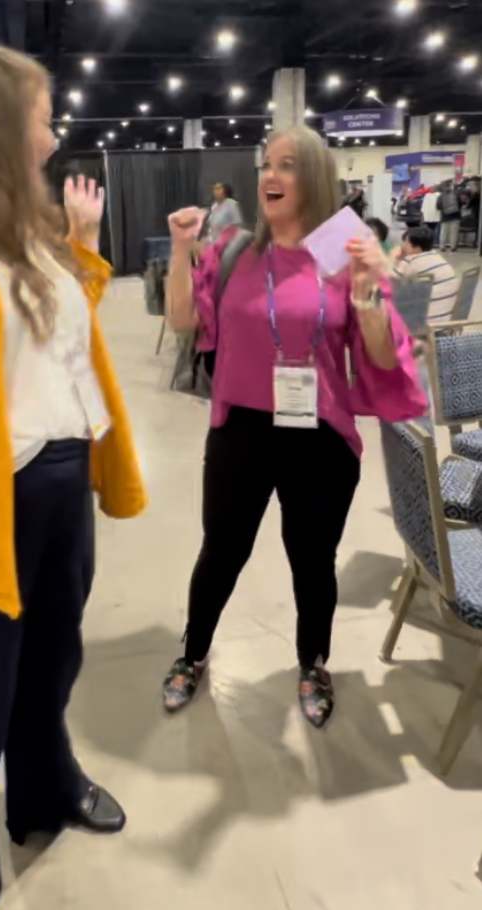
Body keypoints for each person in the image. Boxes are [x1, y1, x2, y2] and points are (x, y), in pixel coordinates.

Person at [0, 47, 147, 910]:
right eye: (43, 121)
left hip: (62, 474)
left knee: (52, 663)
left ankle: (45, 791)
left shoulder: (24, 223)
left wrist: (80, 250)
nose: (52, 140)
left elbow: (52, 341)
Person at [163, 126, 427, 729]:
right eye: (266, 165)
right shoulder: (236, 250)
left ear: (314, 179)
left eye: (286, 165)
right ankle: (193, 653)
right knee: (221, 551)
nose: (270, 176)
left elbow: (382, 357)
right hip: (240, 432)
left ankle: (314, 663)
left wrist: (369, 294)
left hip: (321, 436)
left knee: (313, 560)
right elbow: (182, 319)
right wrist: (182, 249)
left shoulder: (342, 249)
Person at [394, 225, 459, 323]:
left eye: (405, 243)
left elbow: (386, 287)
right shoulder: (438, 258)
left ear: (417, 247)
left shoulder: (411, 261)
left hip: (424, 325)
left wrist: (394, 258)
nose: (402, 246)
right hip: (447, 321)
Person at [437, 180, 461, 252]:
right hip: (455, 215)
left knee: (444, 232)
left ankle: (442, 247)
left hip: (445, 216)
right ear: (451, 186)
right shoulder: (456, 194)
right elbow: (460, 204)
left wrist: (444, 209)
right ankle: (453, 247)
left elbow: (438, 206)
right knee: (454, 232)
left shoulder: (441, 196)